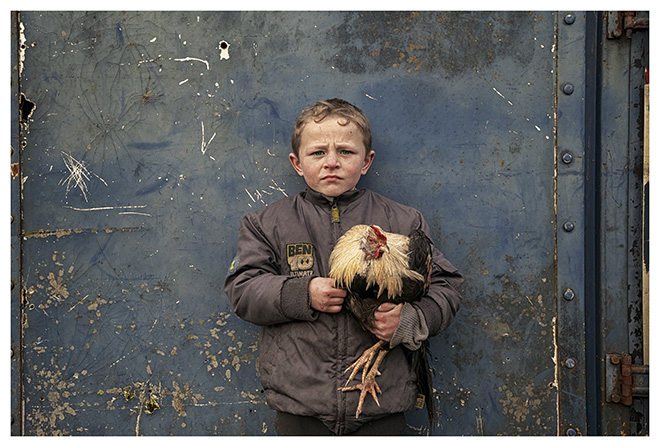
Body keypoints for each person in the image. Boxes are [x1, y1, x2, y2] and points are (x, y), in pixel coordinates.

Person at [224, 98, 463, 435]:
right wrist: (302, 293)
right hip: (301, 403)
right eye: (318, 152)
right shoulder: (266, 223)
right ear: (296, 162)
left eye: (346, 153)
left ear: (367, 162)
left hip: (383, 402)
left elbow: (446, 285)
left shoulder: (403, 220)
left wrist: (411, 320)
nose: (331, 162)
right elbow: (243, 288)